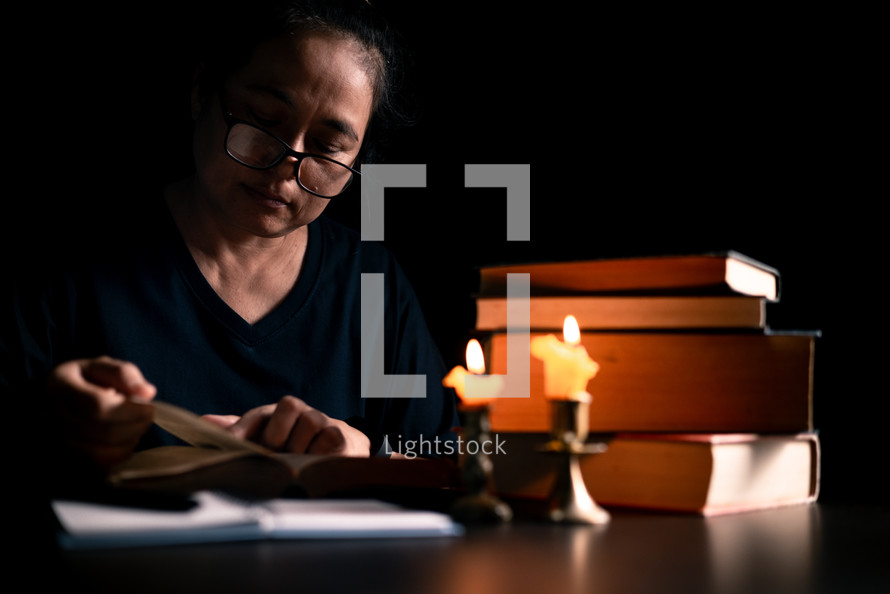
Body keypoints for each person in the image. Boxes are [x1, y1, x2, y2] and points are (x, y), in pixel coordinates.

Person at [3, 0, 457, 488]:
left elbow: (459, 458)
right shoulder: (69, 265)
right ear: (202, 93)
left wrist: (368, 454)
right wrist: (45, 421)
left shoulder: (373, 285)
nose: (288, 165)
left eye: (328, 148)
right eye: (264, 119)